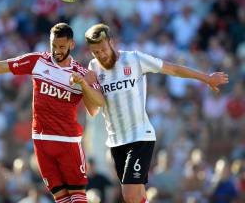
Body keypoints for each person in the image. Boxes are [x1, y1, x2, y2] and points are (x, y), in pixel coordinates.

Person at [0, 23, 105, 203]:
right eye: (53, 46)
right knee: (60, 198)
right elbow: (3, 66)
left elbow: (98, 103)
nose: (56, 51)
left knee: (77, 196)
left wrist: (84, 85)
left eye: (62, 47)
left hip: (67, 141)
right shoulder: (38, 61)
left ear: (72, 44)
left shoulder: (82, 73)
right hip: (41, 141)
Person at [84, 23, 229, 203]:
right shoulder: (93, 68)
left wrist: (206, 78)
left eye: (103, 49)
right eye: (95, 52)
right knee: (136, 196)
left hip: (140, 136)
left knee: (129, 195)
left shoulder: (134, 59)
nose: (101, 55)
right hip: (116, 141)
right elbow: (92, 110)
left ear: (111, 43)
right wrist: (85, 87)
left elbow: (172, 69)